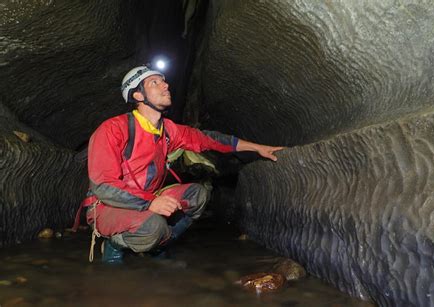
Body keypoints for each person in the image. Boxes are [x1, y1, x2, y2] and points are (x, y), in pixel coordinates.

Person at [81, 65, 283, 264]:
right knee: (154, 227)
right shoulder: (113, 129)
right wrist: (150, 203)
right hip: (110, 206)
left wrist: (256, 147)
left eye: (164, 80)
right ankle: (115, 245)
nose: (165, 85)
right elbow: (103, 186)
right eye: (155, 82)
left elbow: (208, 139)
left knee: (198, 195)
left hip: (148, 198)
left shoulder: (168, 130)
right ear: (138, 96)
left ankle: (158, 245)